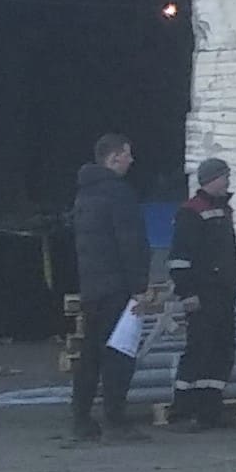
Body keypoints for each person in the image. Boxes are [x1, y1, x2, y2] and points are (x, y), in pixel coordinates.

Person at [67, 132, 154, 443]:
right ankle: (116, 420)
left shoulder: (84, 195)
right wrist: (139, 286)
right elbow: (130, 242)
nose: (131, 160)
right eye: (127, 154)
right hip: (117, 286)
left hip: (93, 286)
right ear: (114, 157)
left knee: (90, 353)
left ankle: (81, 418)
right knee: (119, 354)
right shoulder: (118, 193)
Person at [165, 157, 236, 430]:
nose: (228, 181)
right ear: (213, 179)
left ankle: (210, 409)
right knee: (199, 349)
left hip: (223, 293)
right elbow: (179, 259)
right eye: (225, 176)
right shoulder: (191, 212)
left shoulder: (222, 210)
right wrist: (187, 293)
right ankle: (182, 411)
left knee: (221, 350)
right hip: (202, 294)